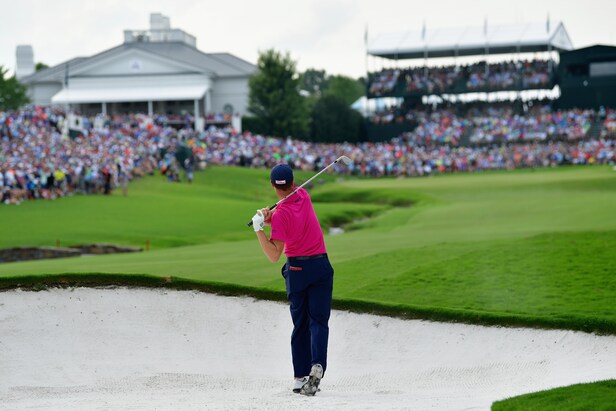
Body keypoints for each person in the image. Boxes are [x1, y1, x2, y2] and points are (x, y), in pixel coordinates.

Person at [251, 164, 334, 396]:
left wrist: (260, 228)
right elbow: (288, 217)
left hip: (298, 269)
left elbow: (273, 255)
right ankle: (317, 364)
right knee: (318, 321)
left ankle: (300, 378)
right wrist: (271, 219)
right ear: (293, 181)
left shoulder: (281, 216)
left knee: (301, 324)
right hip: (321, 266)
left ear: (272, 185)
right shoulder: (303, 195)